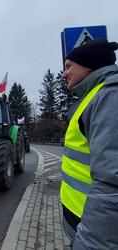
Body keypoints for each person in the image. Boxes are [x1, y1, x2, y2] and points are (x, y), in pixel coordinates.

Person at [61, 39, 118, 249]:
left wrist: (91, 243)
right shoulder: (94, 96)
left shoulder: (109, 95)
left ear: (88, 65)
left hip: (92, 231)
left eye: (68, 66)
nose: (64, 74)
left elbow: (111, 184)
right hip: (82, 220)